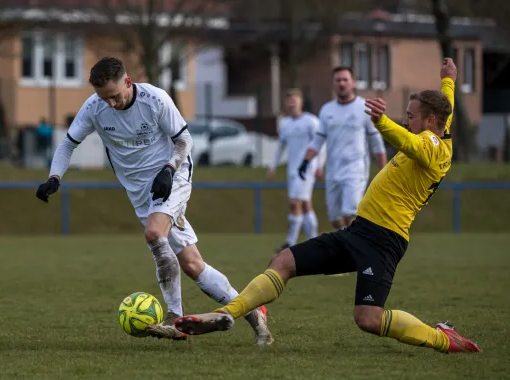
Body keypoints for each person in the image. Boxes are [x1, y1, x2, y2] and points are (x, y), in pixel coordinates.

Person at [174, 58, 481, 354]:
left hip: (384, 242)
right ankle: (225, 313)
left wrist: (382, 123)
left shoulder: (434, 147)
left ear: (429, 121)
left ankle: (443, 339)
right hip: (359, 231)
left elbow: (413, 144)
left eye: (411, 115)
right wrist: (448, 80)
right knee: (283, 261)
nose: (406, 119)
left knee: (368, 319)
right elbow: (446, 110)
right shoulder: (440, 126)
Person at [35, 57, 272, 345]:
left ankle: (175, 317)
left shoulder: (155, 99)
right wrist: (54, 177)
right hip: (140, 193)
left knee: (153, 233)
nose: (110, 104)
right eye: (103, 98)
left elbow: (185, 141)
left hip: (172, 176)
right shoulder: (95, 107)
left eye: (114, 96)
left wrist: (170, 169)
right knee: (192, 264)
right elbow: (68, 144)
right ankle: (253, 310)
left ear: (128, 82)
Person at [298, 66, 387, 230]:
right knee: (335, 220)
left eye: (345, 80)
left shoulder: (365, 108)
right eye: (338, 80)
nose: (342, 83)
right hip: (333, 171)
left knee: (349, 213)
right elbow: (318, 140)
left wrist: (384, 171)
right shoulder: (327, 110)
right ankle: (349, 246)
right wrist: (305, 161)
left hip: (355, 169)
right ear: (333, 84)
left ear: (353, 83)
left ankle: (355, 251)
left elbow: (376, 143)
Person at [267, 89, 323, 252]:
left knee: (295, 203)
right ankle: (314, 242)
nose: (291, 103)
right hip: (292, 170)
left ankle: (291, 241)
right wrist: (272, 166)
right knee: (305, 205)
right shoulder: (285, 124)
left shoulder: (311, 121)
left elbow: (320, 144)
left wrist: (319, 165)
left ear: (300, 102)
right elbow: (280, 147)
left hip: (306, 168)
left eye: (294, 100)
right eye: (289, 101)